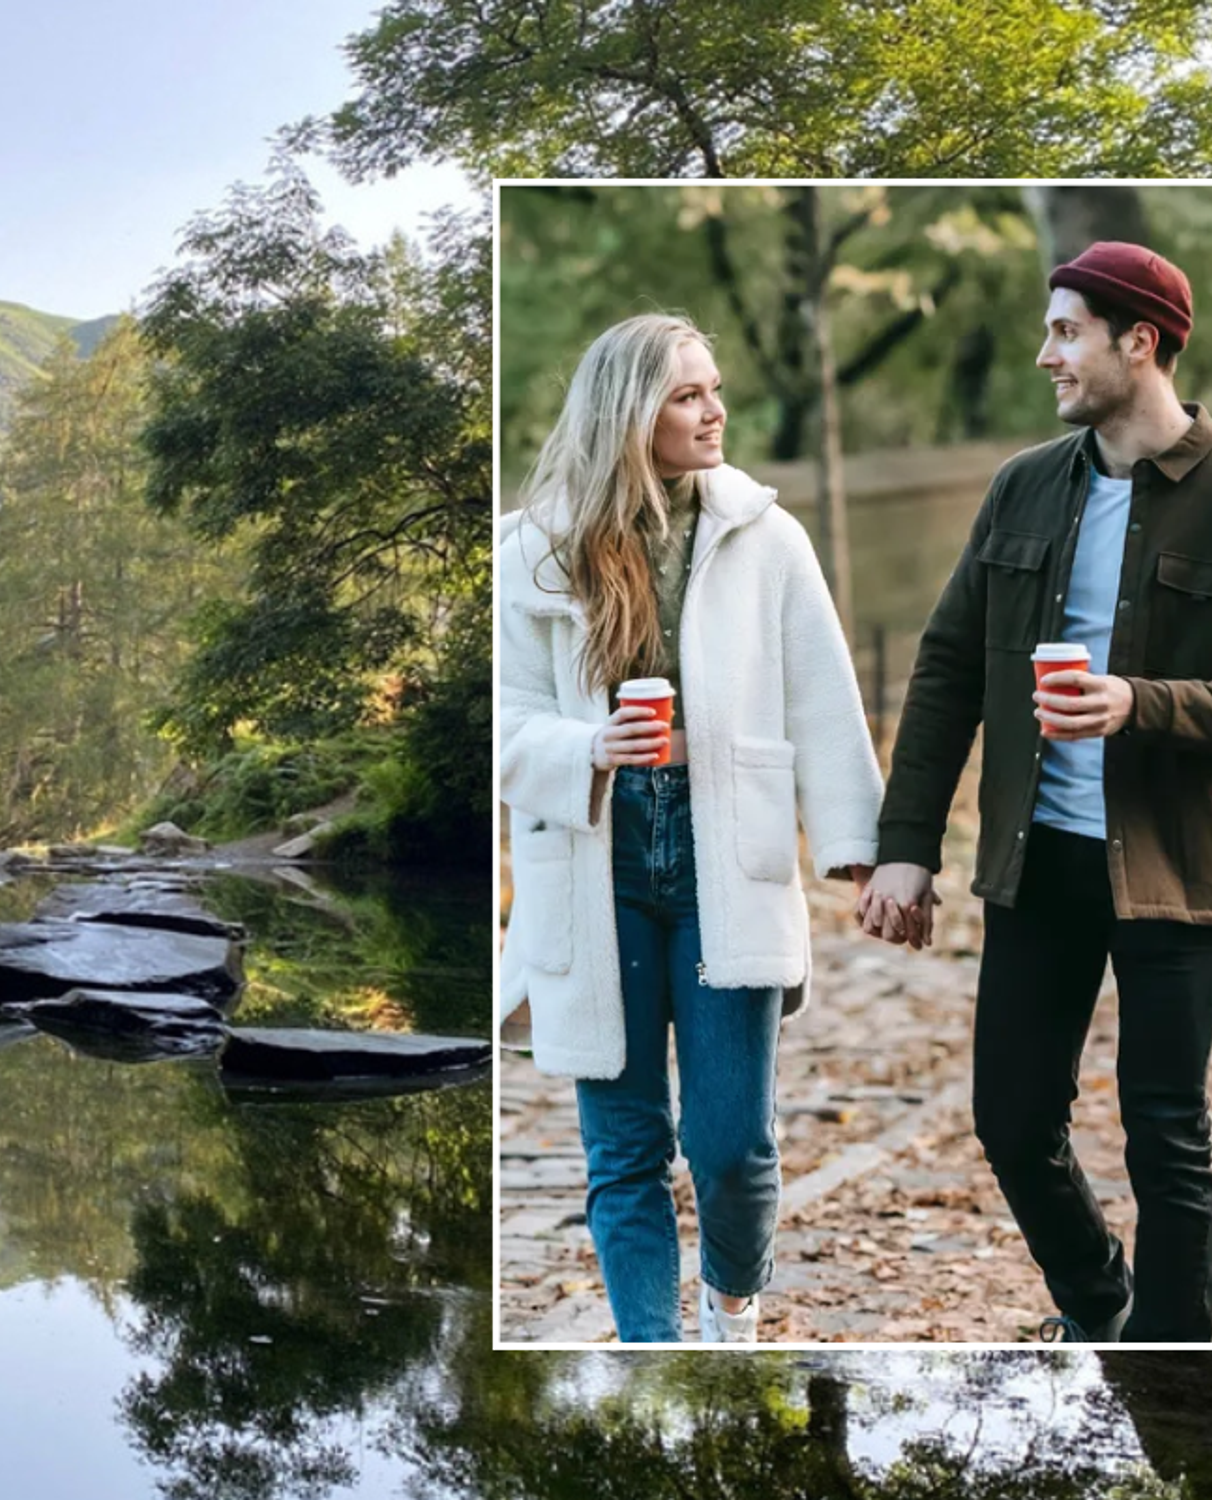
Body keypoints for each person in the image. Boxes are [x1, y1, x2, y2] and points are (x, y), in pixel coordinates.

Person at [499, 313, 882, 1343]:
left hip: (727, 852)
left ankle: (729, 1308)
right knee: (621, 1146)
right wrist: (587, 751)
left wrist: (858, 846)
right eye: (685, 396)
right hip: (593, 859)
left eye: (712, 389)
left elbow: (822, 696)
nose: (713, 412)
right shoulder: (532, 549)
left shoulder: (765, 534)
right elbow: (502, 722)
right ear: (628, 414)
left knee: (728, 1145)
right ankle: (649, 1353)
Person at [862, 241, 1212, 1344]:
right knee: (1010, 1121)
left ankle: (1171, 1368)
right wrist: (903, 843)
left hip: (1177, 871)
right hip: (1038, 858)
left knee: (1166, 1138)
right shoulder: (1024, 485)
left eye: (1065, 331)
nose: (1042, 354)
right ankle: (1096, 1305)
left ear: (1136, 343)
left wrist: (1136, 705)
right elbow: (947, 668)